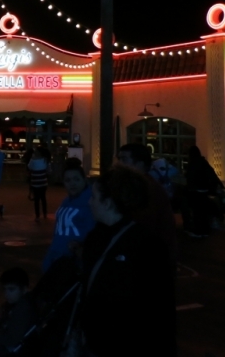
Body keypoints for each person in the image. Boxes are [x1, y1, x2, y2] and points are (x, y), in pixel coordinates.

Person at [72, 165, 177, 357]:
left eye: (94, 197)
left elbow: (160, 310)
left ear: (109, 202)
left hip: (128, 345)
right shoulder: (95, 238)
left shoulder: (146, 245)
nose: (89, 202)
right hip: (98, 343)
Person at [117, 143, 178, 267]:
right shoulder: (140, 186)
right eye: (119, 159)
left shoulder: (146, 189)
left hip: (150, 258)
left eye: (124, 159)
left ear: (140, 163)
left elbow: (142, 225)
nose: (119, 164)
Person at [42, 161, 96, 272]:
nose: (72, 184)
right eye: (68, 180)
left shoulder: (91, 202)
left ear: (84, 180)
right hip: (57, 256)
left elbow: (93, 231)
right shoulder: (66, 200)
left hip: (74, 261)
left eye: (76, 179)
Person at [184, 146, 223, 238]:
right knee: (203, 212)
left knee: (197, 212)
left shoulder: (192, 163)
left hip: (195, 190)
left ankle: (198, 231)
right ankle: (205, 231)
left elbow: (189, 177)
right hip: (204, 190)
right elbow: (212, 174)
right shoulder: (203, 162)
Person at [27, 146, 51, 221]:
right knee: (43, 198)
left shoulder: (33, 160)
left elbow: (29, 167)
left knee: (36, 200)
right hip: (43, 182)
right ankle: (45, 214)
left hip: (35, 182)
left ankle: (37, 215)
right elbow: (49, 171)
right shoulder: (45, 160)